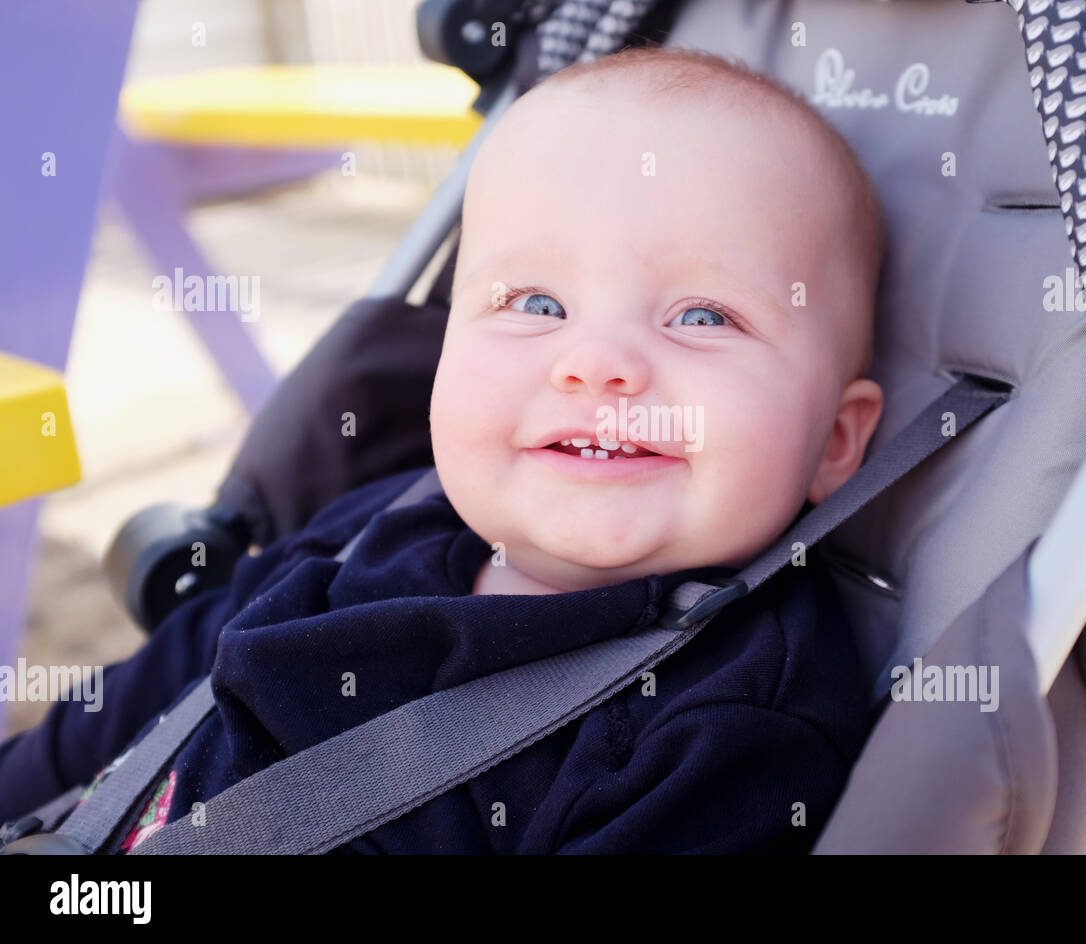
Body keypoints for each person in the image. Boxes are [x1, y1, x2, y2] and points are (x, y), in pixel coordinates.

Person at [0, 44, 887, 854]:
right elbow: (131, 706)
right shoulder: (374, 520)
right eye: (536, 304)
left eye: (703, 317)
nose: (597, 365)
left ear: (835, 442)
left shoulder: (730, 728)